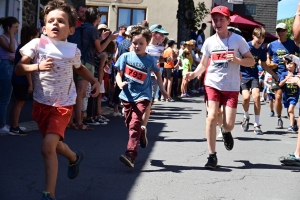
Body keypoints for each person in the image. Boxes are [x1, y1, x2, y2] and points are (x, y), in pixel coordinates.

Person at [14, 1, 101, 199]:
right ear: (43, 28)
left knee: (47, 147)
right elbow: (19, 68)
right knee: (54, 144)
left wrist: (94, 80)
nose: (55, 24)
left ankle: (49, 193)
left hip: (62, 105)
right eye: (51, 21)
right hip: (41, 104)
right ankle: (74, 157)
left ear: (71, 29)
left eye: (61, 21)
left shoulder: (72, 51)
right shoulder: (37, 44)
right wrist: (37, 67)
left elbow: (79, 67)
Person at [185, 6, 255, 169]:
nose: (217, 23)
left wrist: (237, 60)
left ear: (228, 21)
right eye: (215, 20)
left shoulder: (238, 40)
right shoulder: (209, 42)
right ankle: (212, 156)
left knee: (229, 124)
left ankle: (225, 131)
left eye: (221, 19)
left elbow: (251, 61)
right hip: (212, 83)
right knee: (210, 117)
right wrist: (193, 75)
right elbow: (203, 65)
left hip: (231, 86)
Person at [115, 25, 168, 168]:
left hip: (143, 95)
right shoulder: (125, 56)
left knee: (134, 123)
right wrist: (120, 83)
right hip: (127, 95)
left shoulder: (150, 60)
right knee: (130, 124)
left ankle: (131, 154)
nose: (137, 46)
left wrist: (162, 89)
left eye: (141, 43)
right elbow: (119, 75)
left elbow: (157, 73)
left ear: (147, 44)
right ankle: (141, 133)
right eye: (135, 43)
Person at [73, 7, 117, 129]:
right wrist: (109, 39)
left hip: (75, 59)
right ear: (97, 18)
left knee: (74, 91)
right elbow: (99, 49)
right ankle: (79, 122)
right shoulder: (92, 29)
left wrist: (102, 39)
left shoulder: (80, 27)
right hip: (87, 61)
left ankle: (72, 121)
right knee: (80, 93)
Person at [240, 27, 278, 135]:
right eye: (258, 38)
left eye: (262, 38)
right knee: (246, 98)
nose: (260, 41)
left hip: (254, 75)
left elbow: (264, 65)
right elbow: (238, 59)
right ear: (253, 36)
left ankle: (256, 125)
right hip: (243, 75)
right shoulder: (246, 46)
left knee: (256, 96)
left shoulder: (262, 49)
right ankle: (246, 116)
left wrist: (274, 75)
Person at [267, 22, 300, 129]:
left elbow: (298, 54)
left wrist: (293, 58)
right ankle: (279, 118)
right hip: (276, 74)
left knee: (289, 97)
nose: (280, 33)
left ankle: (291, 118)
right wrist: (269, 63)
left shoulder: (291, 44)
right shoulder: (272, 44)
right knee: (278, 96)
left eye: (282, 30)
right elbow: (268, 57)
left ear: (286, 31)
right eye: (278, 31)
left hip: (290, 74)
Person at [9, 26, 39, 136]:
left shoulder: (22, 47)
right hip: (21, 80)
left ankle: (14, 125)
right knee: (19, 102)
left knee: (19, 102)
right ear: (32, 37)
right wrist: (31, 84)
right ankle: (14, 127)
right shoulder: (27, 50)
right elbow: (27, 68)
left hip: (17, 79)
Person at [0, 16, 19, 134]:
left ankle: (5, 123)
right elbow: (12, 49)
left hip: (12, 66)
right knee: (5, 98)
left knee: (9, 97)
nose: (17, 29)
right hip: (5, 67)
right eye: (15, 27)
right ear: (9, 27)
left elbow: (16, 52)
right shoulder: (2, 38)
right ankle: (2, 125)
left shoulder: (14, 40)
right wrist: (11, 34)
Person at [278, 59, 299, 133]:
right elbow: (280, 84)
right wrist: (287, 78)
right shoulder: (284, 74)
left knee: (290, 110)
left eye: (291, 63)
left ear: (295, 65)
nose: (289, 65)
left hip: (294, 96)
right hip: (286, 96)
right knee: (289, 112)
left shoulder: (297, 74)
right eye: (287, 64)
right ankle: (294, 122)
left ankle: (291, 126)